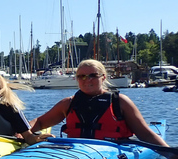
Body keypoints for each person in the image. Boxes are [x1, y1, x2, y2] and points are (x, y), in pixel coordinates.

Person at [30, 59, 168, 146]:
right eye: (82, 76)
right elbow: (40, 122)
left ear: (103, 77)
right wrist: (24, 133)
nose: (87, 80)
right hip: (76, 152)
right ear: (77, 79)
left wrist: (169, 153)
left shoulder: (120, 102)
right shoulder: (68, 103)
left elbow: (144, 133)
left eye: (93, 76)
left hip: (112, 151)